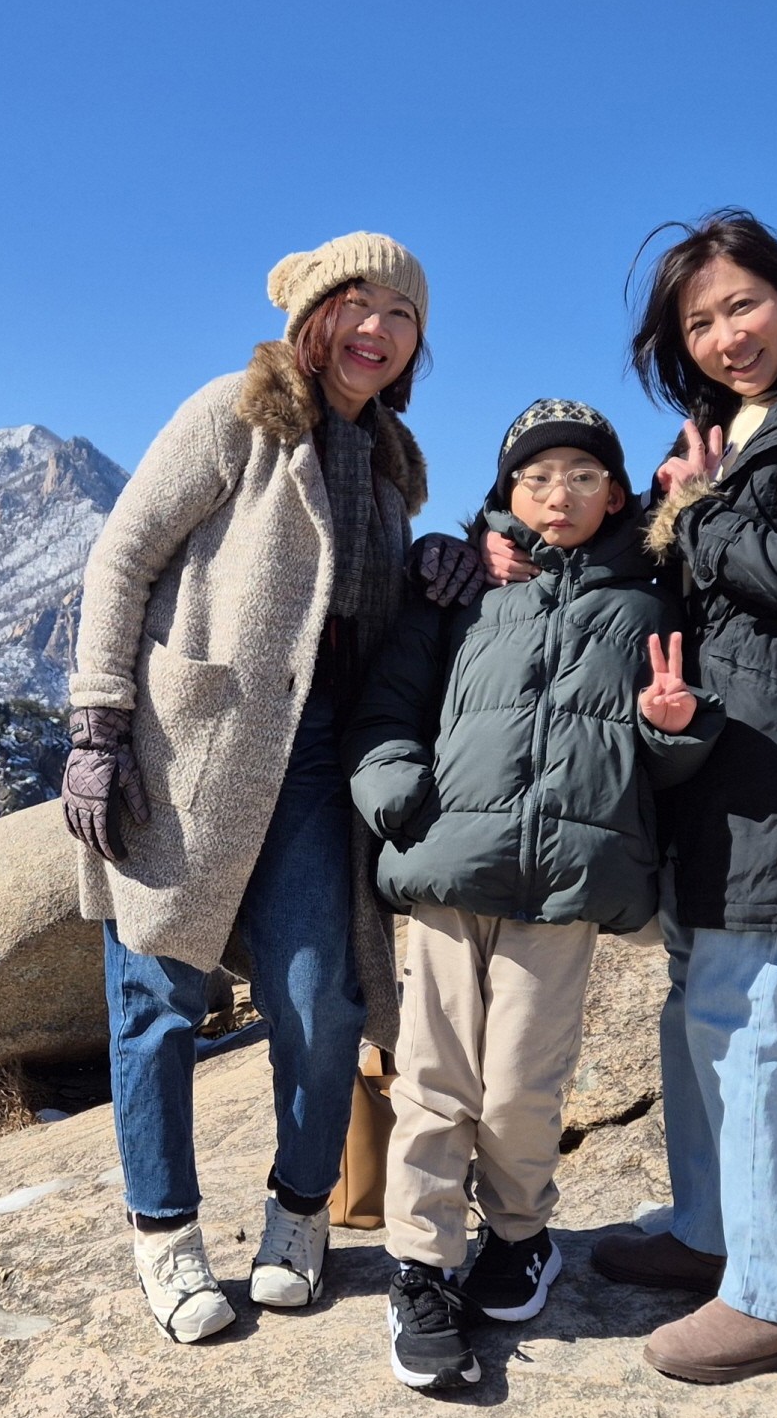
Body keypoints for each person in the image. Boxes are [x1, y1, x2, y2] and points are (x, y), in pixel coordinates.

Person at [503, 214, 777, 1382]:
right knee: (700, 994)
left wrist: (706, 504)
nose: (727, 333)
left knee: (753, 1015)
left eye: (744, 304)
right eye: (700, 320)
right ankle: (711, 1233)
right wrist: (509, 545)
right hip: (699, 754)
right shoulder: (724, 432)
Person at [63, 232, 485, 1343]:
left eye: (403, 317)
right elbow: (122, 556)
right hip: (186, 748)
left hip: (311, 763)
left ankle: (300, 1213)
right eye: (360, 305)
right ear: (311, 314)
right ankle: (166, 1237)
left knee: (319, 997)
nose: (380, 331)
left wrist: (433, 562)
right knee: (158, 998)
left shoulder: (391, 467)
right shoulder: (232, 416)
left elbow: (358, 614)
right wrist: (97, 719)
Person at [349, 399, 723, 1390]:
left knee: (521, 1085)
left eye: (584, 475)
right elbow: (390, 707)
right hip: (450, 868)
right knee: (433, 1079)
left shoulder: (649, 598)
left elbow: (662, 759)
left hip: (563, 886)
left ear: (617, 490)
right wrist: (394, 793)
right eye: (537, 477)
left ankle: (520, 1236)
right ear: (507, 492)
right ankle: (421, 1266)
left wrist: (674, 728)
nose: (559, 496)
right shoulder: (464, 590)